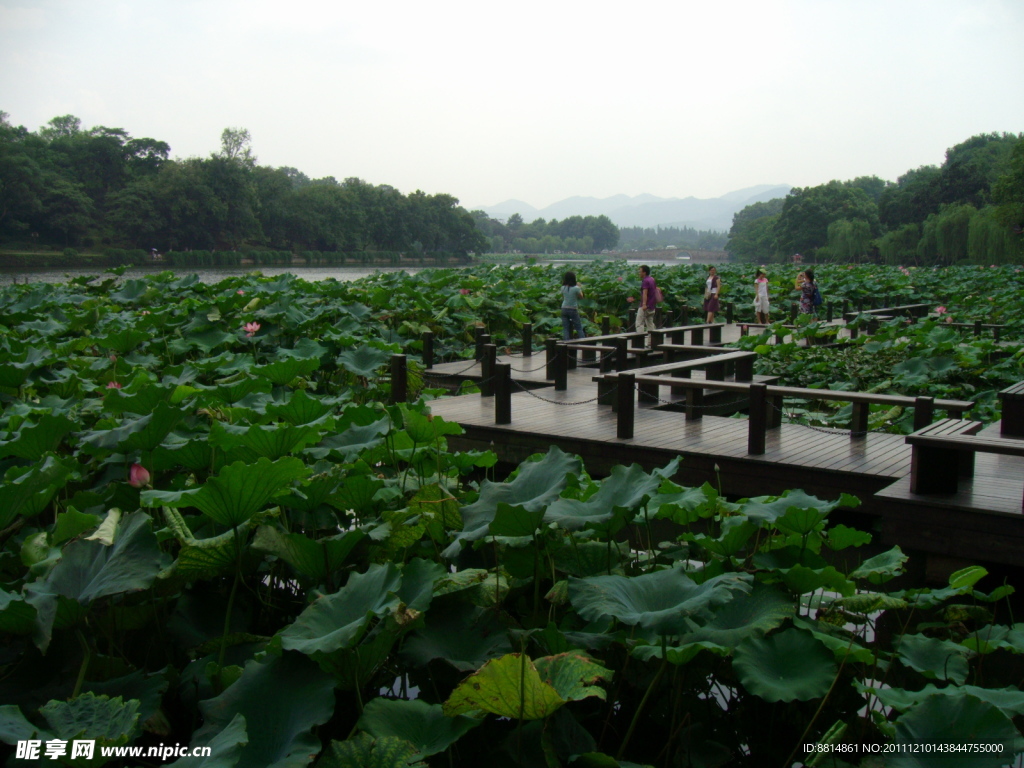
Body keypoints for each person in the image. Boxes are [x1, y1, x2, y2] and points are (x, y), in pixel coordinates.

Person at [560, 272, 585, 341]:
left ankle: (566, 344)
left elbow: (563, 296)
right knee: (579, 328)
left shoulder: (562, 288)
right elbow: (581, 297)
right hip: (573, 309)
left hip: (564, 308)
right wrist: (580, 288)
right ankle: (584, 342)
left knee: (565, 328)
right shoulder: (576, 288)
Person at [636, 265, 657, 339]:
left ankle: (639, 342)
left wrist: (644, 304)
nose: (639, 273)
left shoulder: (645, 281)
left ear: (644, 272)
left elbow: (645, 293)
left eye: (640, 271)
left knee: (639, 324)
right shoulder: (652, 279)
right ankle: (651, 342)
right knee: (650, 324)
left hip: (645, 306)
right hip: (652, 306)